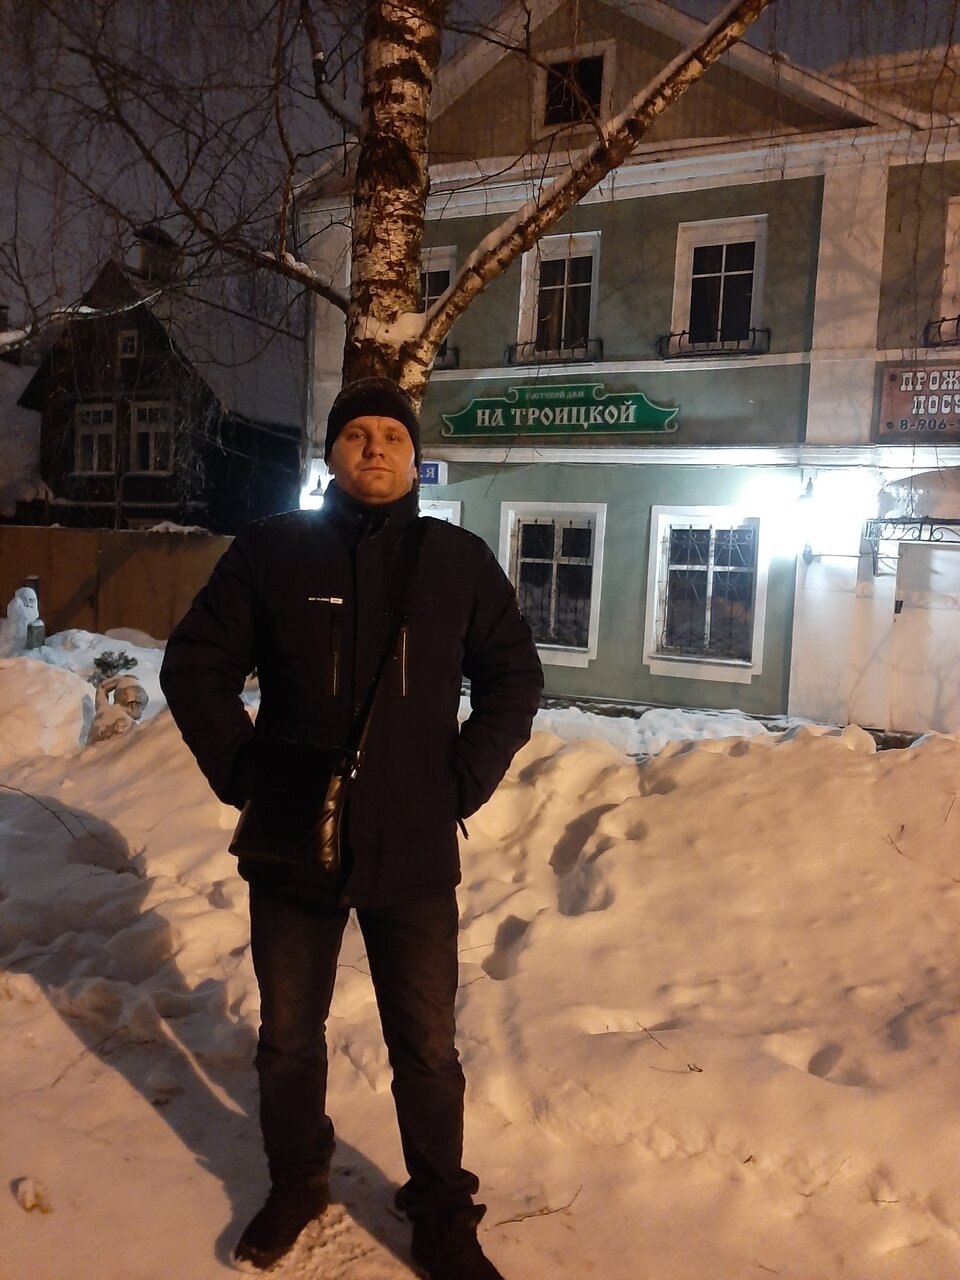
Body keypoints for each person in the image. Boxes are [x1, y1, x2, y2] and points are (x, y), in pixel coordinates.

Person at [160, 377, 543, 1277]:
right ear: (330, 453)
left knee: (428, 1047)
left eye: (392, 436)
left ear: (415, 457)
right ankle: (298, 1181)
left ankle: (442, 1211)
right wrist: (248, 776)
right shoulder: (272, 552)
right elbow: (195, 666)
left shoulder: (456, 561)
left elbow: (514, 679)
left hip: (413, 847)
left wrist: (461, 782)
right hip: (294, 846)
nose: (376, 447)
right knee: (289, 1036)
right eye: (357, 434)